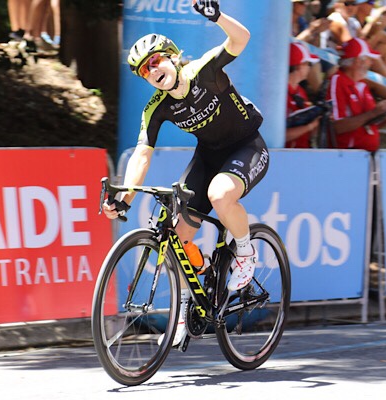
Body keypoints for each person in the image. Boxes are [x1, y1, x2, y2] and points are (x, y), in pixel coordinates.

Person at [102, 0, 269, 346]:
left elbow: (241, 40)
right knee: (176, 237)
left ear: (173, 56)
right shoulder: (157, 108)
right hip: (208, 157)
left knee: (220, 195)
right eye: (144, 71)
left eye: (155, 61)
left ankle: (245, 251)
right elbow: (141, 156)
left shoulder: (204, 71)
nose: (151, 71)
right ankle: (191, 299)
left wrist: (218, 17)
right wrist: (125, 196)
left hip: (247, 146)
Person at [327, 37, 386, 151]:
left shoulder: (361, 84)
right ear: (358, 61)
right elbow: (337, 127)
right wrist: (374, 113)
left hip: (366, 156)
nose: (371, 63)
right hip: (347, 157)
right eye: (368, 59)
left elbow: (366, 124)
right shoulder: (337, 81)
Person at [286, 42, 322, 148]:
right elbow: (281, 135)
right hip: (283, 157)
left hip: (301, 153)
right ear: (298, 66)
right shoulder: (277, 94)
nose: (309, 68)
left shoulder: (300, 90)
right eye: (307, 64)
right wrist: (311, 126)